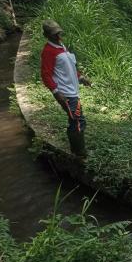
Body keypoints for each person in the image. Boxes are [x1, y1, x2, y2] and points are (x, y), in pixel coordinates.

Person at [40, 19, 91, 158]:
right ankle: (80, 153)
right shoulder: (48, 51)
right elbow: (46, 75)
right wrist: (56, 92)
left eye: (58, 33)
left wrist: (81, 78)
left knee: (76, 119)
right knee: (77, 120)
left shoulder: (61, 46)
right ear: (47, 35)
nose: (57, 36)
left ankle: (76, 149)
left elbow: (69, 67)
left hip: (72, 90)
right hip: (65, 93)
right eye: (53, 34)